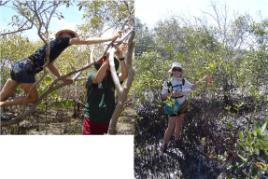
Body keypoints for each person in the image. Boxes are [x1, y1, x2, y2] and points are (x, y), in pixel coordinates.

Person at [0, 29, 122, 109]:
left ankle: (2, 101)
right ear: (63, 35)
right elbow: (85, 41)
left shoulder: (54, 45)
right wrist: (111, 38)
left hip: (18, 65)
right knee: (33, 98)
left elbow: (49, 64)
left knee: (4, 93)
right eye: (70, 35)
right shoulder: (63, 40)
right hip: (26, 69)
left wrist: (62, 78)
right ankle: (3, 104)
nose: (72, 38)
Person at [82, 43, 128, 135]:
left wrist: (121, 57)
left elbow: (124, 75)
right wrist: (108, 56)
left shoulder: (112, 77)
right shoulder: (91, 73)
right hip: (91, 122)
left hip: (108, 122)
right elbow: (97, 79)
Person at [160, 62, 194, 152]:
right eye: (175, 69)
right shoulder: (168, 83)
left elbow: (192, 87)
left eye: (178, 69)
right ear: (172, 71)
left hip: (183, 103)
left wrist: (204, 81)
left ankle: (177, 140)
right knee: (171, 125)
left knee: (179, 123)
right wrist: (171, 93)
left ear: (181, 71)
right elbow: (163, 96)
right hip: (172, 103)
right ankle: (164, 145)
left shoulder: (184, 81)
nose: (176, 71)